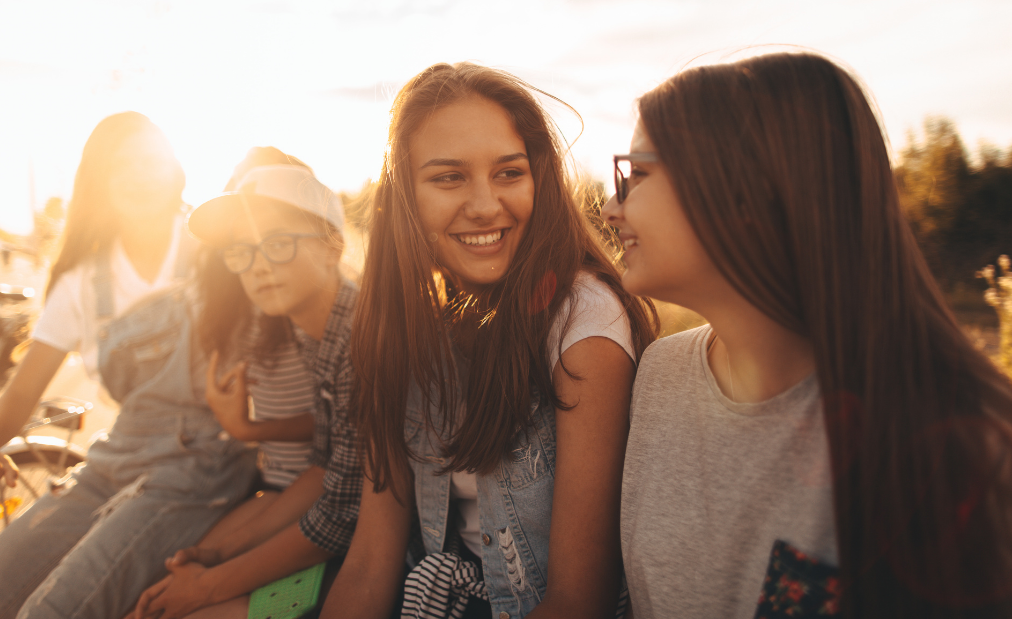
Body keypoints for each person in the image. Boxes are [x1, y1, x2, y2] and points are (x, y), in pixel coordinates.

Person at [604, 51, 1012, 619]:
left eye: (637, 173)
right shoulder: (660, 376)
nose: (609, 205)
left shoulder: (965, 444)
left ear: (744, 192)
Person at [322, 62, 657, 619]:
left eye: (508, 173)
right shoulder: (405, 327)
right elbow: (369, 563)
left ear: (538, 178)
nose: (484, 205)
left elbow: (578, 599)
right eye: (448, 177)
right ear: (404, 194)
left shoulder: (582, 321)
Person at [0, 137, 256, 619]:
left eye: (149, 158)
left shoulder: (216, 245)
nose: (138, 173)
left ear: (177, 171)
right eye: (119, 163)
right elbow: (22, 389)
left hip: (200, 463)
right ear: (98, 184)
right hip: (114, 459)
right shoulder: (82, 279)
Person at [130, 156, 363, 619]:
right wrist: (217, 557)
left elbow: (339, 515)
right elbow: (322, 466)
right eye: (241, 251)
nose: (258, 267)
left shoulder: (363, 340)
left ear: (332, 245)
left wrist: (207, 588)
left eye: (277, 243)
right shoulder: (311, 329)